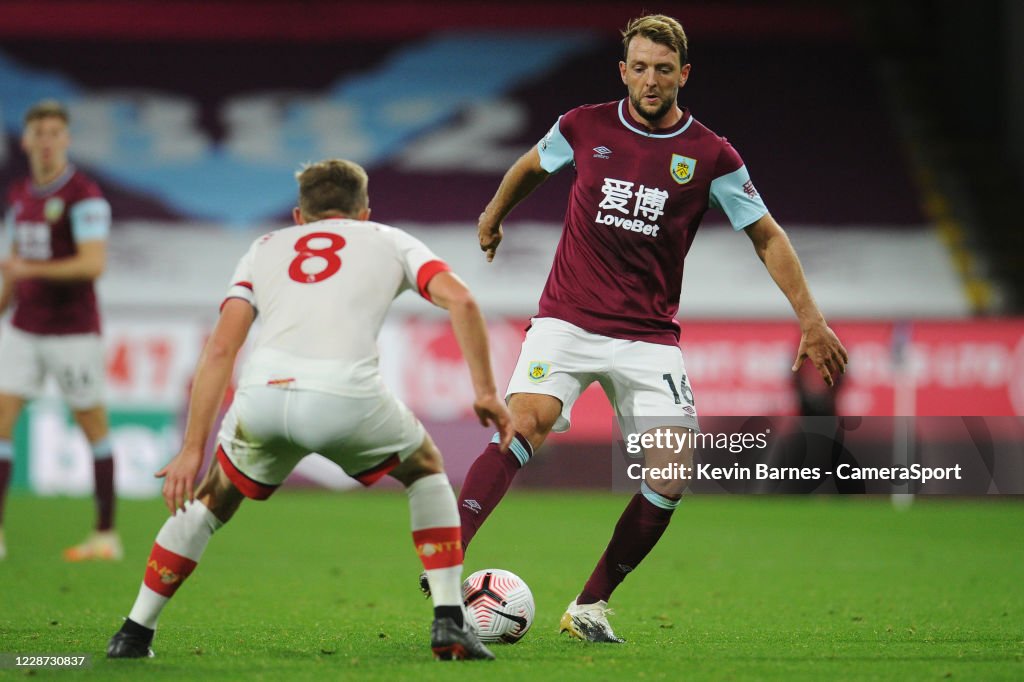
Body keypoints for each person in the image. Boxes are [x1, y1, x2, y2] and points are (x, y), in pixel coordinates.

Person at [450, 14, 849, 642]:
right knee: (522, 420)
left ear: (684, 74)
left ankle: (588, 606)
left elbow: (765, 234)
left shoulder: (712, 155)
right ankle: (449, 558)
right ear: (623, 71)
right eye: (640, 67)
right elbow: (531, 164)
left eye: (664, 69)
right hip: (567, 320)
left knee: (671, 472)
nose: (651, 79)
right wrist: (495, 212)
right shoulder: (584, 125)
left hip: (648, 336)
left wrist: (811, 318)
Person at [106, 159, 514, 661]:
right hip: (345, 397)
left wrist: (192, 448)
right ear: (364, 211)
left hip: (263, 396)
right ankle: (450, 622)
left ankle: (133, 633)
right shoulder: (389, 239)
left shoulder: (264, 248)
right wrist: (487, 392)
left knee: (212, 499)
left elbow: (218, 351)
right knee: (426, 469)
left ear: (300, 216)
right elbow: (464, 302)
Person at [0, 100, 119, 562]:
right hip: (24, 328)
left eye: (55, 133)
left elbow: (93, 263)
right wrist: (6, 296)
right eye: (39, 133)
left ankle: (105, 535)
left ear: (66, 139)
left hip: (73, 331)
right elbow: (11, 264)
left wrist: (26, 267)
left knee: (94, 427)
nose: (46, 141)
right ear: (26, 140)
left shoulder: (84, 195)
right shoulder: (18, 194)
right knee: (2, 421)